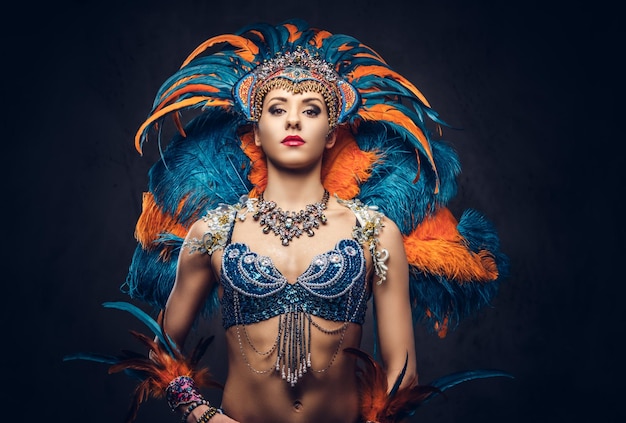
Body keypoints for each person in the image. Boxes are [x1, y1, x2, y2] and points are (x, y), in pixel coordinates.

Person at [68, 19, 509, 423]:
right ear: (256, 130)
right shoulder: (214, 231)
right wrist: (202, 415)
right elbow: (158, 349)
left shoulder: (375, 232)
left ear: (332, 133)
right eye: (277, 108)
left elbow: (403, 372)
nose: (294, 119)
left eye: (312, 109)